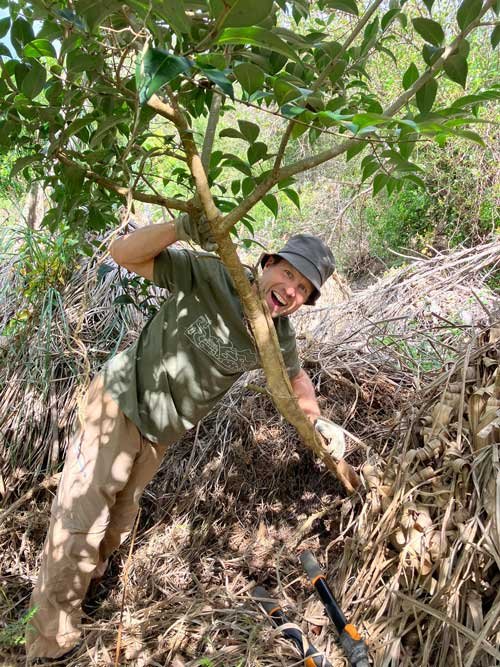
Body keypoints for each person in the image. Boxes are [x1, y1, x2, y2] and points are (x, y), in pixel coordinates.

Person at [26, 213, 337, 660]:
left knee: (114, 527)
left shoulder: (276, 335)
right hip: (119, 399)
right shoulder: (214, 275)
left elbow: (296, 378)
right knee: (81, 522)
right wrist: (180, 227)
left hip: (160, 433)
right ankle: (49, 642)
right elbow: (123, 255)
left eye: (303, 289)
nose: (291, 290)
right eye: (289, 274)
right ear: (268, 263)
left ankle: (81, 596)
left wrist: (316, 422)